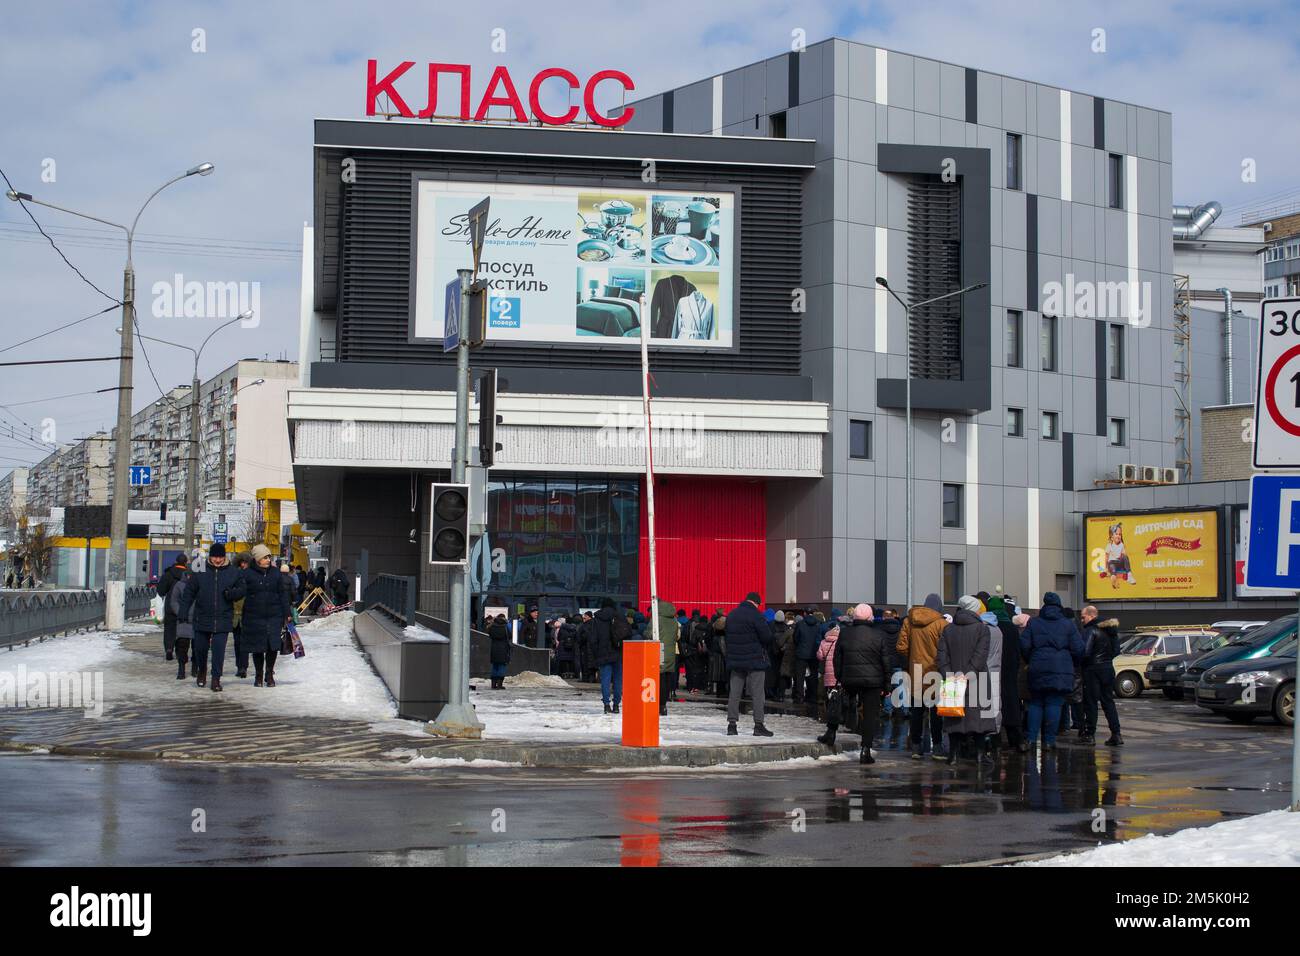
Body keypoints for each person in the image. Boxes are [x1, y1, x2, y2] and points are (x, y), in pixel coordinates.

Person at [1020, 592, 1085, 753]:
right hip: (1061, 669)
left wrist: (1031, 660)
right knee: (1054, 703)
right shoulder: (1068, 625)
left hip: (1037, 667)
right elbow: (1079, 649)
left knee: (1036, 703)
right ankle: (1049, 741)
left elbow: (1024, 645)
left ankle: (1030, 739)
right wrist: (1071, 663)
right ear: (1059, 605)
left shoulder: (1034, 623)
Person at [177, 543, 246, 692]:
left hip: (223, 617)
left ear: (225, 556)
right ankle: (202, 671)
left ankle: (216, 679)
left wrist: (231, 594)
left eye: (220, 557)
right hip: (202, 616)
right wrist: (183, 611)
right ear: (210, 556)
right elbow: (189, 592)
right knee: (200, 649)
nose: (217, 560)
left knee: (218, 650)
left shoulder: (233, 572)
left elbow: (242, 589)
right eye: (214, 557)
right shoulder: (200, 570)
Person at [833, 604, 894, 764]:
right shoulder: (878, 635)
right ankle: (865, 750)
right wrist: (887, 685)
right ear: (870, 617)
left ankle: (831, 731)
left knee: (841, 705)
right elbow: (886, 662)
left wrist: (840, 677)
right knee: (870, 715)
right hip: (873, 681)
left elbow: (837, 658)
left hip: (850, 678)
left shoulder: (845, 633)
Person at [935, 595, 991, 764]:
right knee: (979, 719)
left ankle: (952, 755)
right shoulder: (982, 629)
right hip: (977, 679)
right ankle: (981, 755)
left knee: (954, 718)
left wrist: (950, 675)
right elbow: (980, 656)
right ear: (975, 609)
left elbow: (941, 656)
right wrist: (967, 674)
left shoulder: (948, 629)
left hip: (952, 680)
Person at [897, 593, 948, 760]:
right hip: (935, 672)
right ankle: (938, 747)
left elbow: (901, 647)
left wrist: (912, 657)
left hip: (916, 672)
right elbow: (947, 649)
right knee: (935, 712)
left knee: (916, 711)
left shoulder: (909, 621)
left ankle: (916, 747)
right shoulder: (942, 624)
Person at [239, 544, 292, 687]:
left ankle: (269, 674)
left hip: (274, 615)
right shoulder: (247, 574)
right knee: (258, 647)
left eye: (269, 557)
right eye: (265, 557)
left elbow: (282, 594)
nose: (268, 559)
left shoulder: (276, 573)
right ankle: (258, 675)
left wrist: (287, 613)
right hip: (254, 616)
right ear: (257, 559)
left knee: (272, 646)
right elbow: (240, 592)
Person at [724, 591, 775, 736]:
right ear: (756, 603)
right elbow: (767, 637)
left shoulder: (732, 615)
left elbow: (727, 636)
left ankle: (732, 725)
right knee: (758, 693)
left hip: (735, 660)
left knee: (734, 693)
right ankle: (758, 725)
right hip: (755, 660)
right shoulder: (757, 616)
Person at [986, 596, 1026, 752]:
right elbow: (1017, 652)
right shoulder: (1011, 627)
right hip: (1010, 672)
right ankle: (1017, 740)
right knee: (1011, 706)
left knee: (994, 707)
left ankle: (995, 742)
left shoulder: (989, 626)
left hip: (993, 670)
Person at [1081, 608, 1124, 746]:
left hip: (1092, 670)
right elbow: (1117, 650)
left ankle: (1090, 734)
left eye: (1083, 617)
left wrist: (1084, 663)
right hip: (1107, 668)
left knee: (1091, 703)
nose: (1082, 620)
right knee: (1108, 701)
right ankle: (1116, 734)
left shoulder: (1091, 630)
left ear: (1091, 616)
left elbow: (1085, 651)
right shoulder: (1110, 630)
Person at [590, 598, 629, 713]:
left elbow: (593, 639)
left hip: (603, 653)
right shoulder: (620, 617)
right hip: (618, 652)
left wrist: (596, 654)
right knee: (618, 680)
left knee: (605, 680)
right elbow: (628, 633)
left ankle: (606, 704)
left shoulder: (597, 619)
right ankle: (616, 705)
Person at [155, 552, 189, 667]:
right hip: (185, 606)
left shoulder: (168, 574)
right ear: (185, 562)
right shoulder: (189, 574)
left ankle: (169, 649)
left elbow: (160, 590)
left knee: (169, 628)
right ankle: (181, 652)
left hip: (170, 605)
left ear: (176, 561)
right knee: (183, 629)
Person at [792, 609, 822, 708]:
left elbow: (795, 638)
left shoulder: (800, 624)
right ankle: (812, 696)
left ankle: (799, 697)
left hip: (801, 653)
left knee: (800, 676)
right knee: (813, 675)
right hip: (814, 653)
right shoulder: (818, 624)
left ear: (804, 613)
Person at [655, 597, 678, 716]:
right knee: (667, 678)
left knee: (659, 678)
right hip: (670, 651)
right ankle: (663, 705)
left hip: (659, 650)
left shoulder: (656, 619)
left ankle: (657, 704)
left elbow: (649, 633)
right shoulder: (674, 621)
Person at [231, 551, 252, 678]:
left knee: (242, 642)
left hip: (246, 613)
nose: (243, 565)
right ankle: (240, 666)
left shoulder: (250, 577)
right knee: (237, 641)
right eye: (241, 563)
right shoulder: (234, 576)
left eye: (245, 563)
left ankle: (242, 666)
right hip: (236, 614)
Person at [488, 614, 512, 689]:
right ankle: (499, 684)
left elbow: (490, 635)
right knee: (502, 665)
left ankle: (493, 684)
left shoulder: (492, 626)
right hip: (503, 648)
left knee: (495, 666)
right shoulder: (505, 627)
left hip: (494, 648)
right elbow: (509, 636)